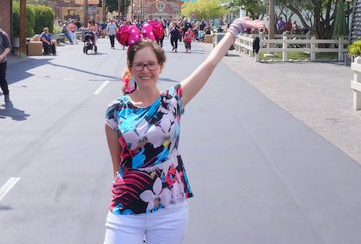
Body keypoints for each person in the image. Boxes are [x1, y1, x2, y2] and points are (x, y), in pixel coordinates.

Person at [104, 17, 264, 243]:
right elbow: (117, 165)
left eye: (151, 64)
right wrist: (125, 194)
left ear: (160, 67)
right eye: (139, 64)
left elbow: (208, 65)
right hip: (127, 206)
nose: (145, 70)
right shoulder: (115, 110)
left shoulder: (173, 100)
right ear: (130, 68)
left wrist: (234, 30)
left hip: (169, 207)